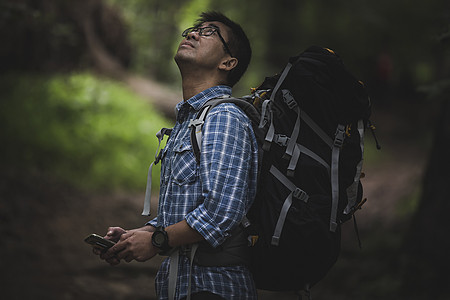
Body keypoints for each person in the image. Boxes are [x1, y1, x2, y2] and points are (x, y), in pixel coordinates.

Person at [94, 11, 258, 300]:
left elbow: (221, 212)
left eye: (210, 33)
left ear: (228, 62)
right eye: (194, 30)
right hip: (181, 284)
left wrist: (156, 241)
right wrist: (139, 234)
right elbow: (186, 209)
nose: (193, 34)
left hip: (214, 287)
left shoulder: (224, 117)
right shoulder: (189, 122)